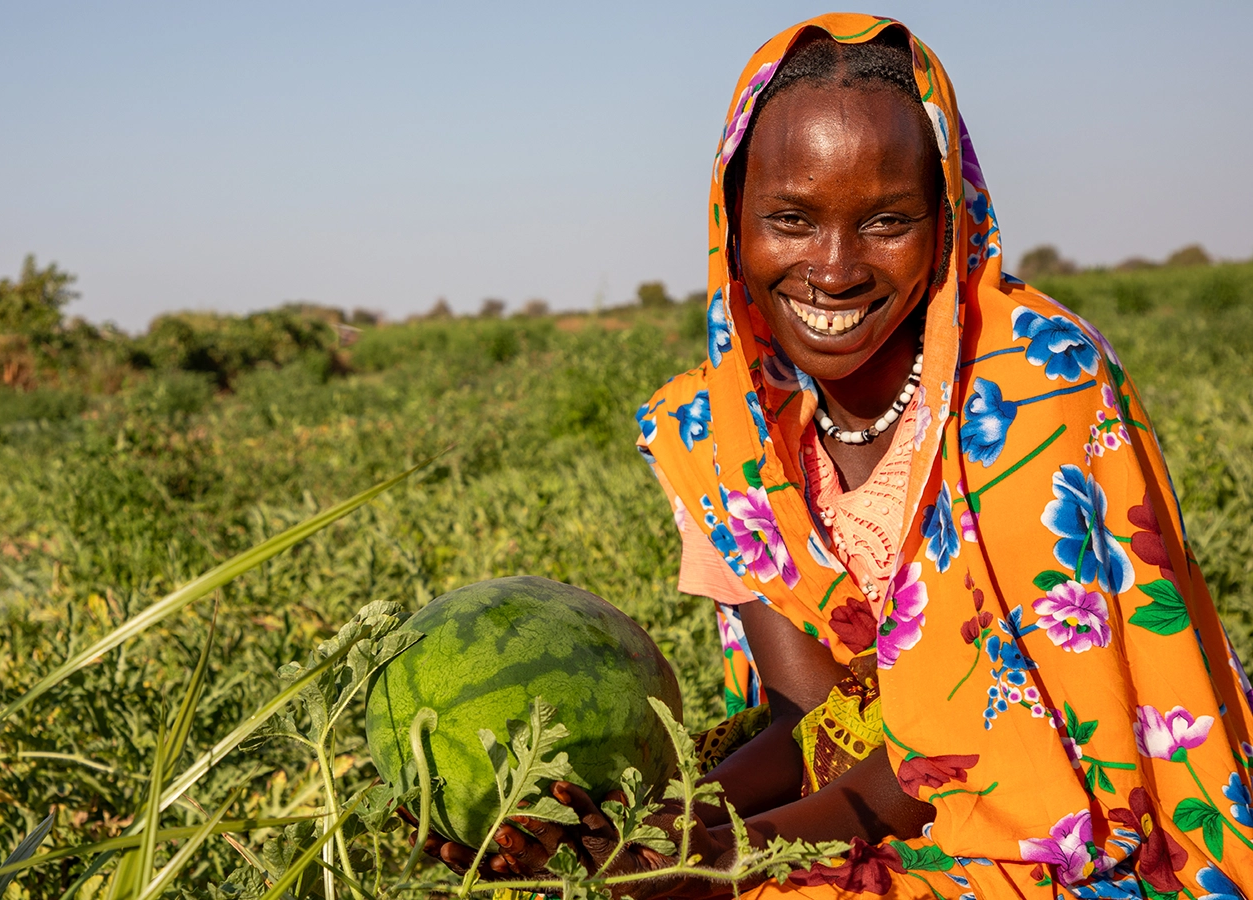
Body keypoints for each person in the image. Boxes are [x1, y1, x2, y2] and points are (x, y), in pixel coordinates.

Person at [417, 13, 1253, 899]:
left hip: (1067, 820)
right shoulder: (719, 429)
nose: (835, 269)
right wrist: (639, 832)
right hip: (860, 804)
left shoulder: (1034, 385)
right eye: (791, 218)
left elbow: (986, 741)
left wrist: (718, 860)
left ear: (948, 226)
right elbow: (820, 721)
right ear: (731, 224)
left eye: (888, 221)